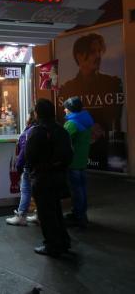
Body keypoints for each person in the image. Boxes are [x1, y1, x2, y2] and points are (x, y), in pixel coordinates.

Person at [57, 33, 123, 170]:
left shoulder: (113, 84)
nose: (98, 56)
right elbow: (62, 122)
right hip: (81, 155)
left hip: (107, 154)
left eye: (99, 51)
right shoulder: (66, 89)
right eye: (93, 52)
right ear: (79, 56)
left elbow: (116, 119)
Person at [25, 99, 73, 257]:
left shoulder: (37, 131)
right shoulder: (61, 130)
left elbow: (29, 156)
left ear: (37, 113)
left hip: (42, 178)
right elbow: (69, 155)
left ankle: (52, 245)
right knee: (56, 210)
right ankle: (63, 241)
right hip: (59, 177)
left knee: (46, 214)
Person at [63, 96, 94, 228]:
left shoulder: (72, 123)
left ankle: (79, 217)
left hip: (73, 161)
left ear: (71, 109)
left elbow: (64, 140)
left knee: (76, 190)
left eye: (66, 108)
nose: (64, 110)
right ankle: (81, 213)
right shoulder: (86, 119)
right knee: (82, 188)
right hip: (82, 159)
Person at [6, 109, 37, 226]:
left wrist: (19, 168)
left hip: (29, 167)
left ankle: (21, 216)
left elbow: (24, 152)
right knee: (37, 191)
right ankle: (39, 215)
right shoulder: (44, 129)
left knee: (26, 191)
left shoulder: (29, 132)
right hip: (42, 168)